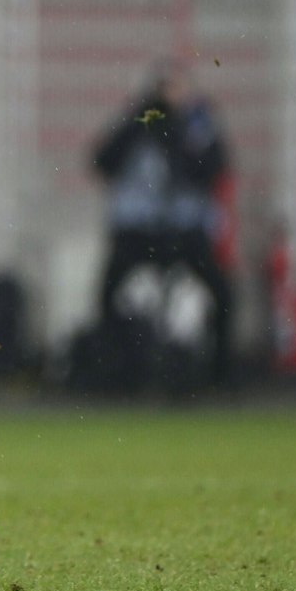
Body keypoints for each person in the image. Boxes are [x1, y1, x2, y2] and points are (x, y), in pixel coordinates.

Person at [91, 59, 234, 387]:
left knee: (222, 294)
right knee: (109, 294)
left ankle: (218, 375)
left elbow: (211, 170)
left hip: (185, 232)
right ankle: (115, 372)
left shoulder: (199, 124)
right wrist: (141, 122)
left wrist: (177, 133)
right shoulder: (139, 122)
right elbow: (103, 161)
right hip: (139, 233)